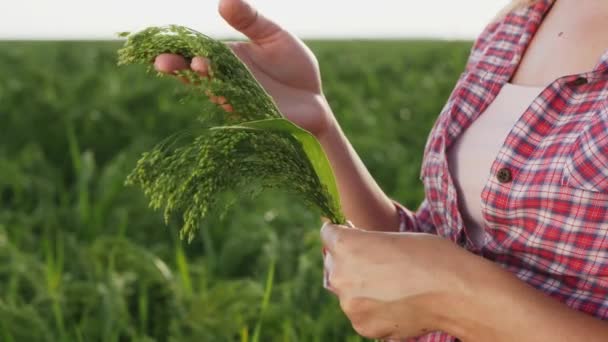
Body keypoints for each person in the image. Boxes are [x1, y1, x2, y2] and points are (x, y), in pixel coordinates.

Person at [154, 0, 608, 340]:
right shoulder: (517, 24)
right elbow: (440, 246)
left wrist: (456, 295)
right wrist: (319, 130)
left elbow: (443, 278)